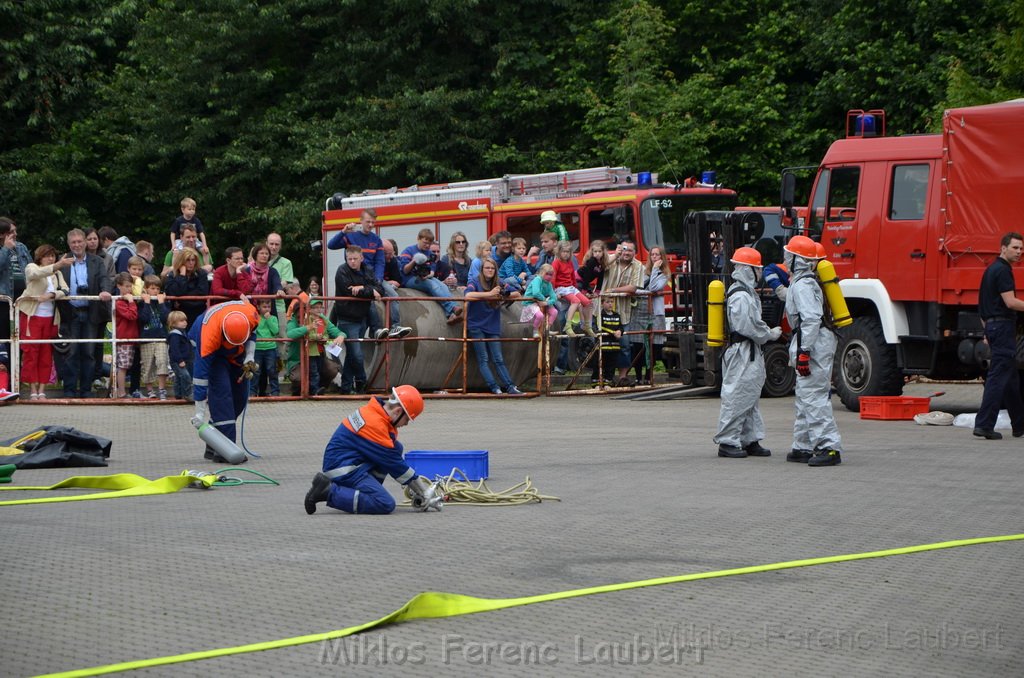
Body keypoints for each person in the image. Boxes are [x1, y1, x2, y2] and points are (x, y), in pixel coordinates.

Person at [303, 385, 442, 515]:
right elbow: (394, 464)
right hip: (343, 470)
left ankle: (365, 489)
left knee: (396, 448)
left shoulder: (375, 412)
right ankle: (327, 492)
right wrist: (423, 492)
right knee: (385, 503)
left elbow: (391, 457)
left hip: (345, 462)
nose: (405, 424)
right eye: (407, 419)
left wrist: (417, 488)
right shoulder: (375, 425)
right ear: (398, 411)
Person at [713, 247, 782, 458]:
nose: (760, 274)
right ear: (748, 270)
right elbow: (746, 325)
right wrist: (768, 334)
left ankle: (749, 439)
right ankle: (727, 441)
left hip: (749, 351)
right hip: (742, 351)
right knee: (737, 396)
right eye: (757, 270)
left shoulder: (746, 292)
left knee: (750, 397)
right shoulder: (740, 295)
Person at [784, 235, 842, 466]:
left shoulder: (803, 285)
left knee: (814, 396)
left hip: (813, 343)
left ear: (798, 260)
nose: (786, 259)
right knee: (805, 395)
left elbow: (810, 319)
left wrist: (804, 352)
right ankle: (803, 445)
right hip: (815, 341)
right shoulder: (804, 283)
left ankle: (828, 448)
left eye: (789, 255)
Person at [190, 299, 261, 463]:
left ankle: (213, 442)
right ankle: (225, 451)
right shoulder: (208, 338)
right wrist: (199, 411)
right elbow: (200, 377)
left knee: (239, 398)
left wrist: (249, 356)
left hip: (236, 352)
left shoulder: (251, 315)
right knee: (222, 397)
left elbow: (253, 334)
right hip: (213, 352)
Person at [974, 232, 1024, 440]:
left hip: (994, 327)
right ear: (1003, 248)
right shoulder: (1003, 271)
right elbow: (1010, 302)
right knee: (997, 378)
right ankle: (984, 425)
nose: (1019, 252)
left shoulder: (990, 270)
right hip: (1003, 328)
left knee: (1010, 378)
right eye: (1015, 248)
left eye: (1021, 249)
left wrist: (987, 331)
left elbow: (982, 307)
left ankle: (1019, 425)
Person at [59, 228, 113, 398]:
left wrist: (105, 291)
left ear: (84, 242)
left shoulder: (96, 261)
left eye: (79, 241)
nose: (77, 245)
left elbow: (105, 278)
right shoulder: (64, 261)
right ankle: (69, 390)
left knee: (89, 353)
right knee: (71, 352)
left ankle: (86, 390)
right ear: (69, 244)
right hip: (71, 312)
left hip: (91, 311)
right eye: (73, 242)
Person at [16, 244, 72, 399]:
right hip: (31, 316)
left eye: (53, 256)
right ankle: (32, 389)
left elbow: (65, 290)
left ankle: (42, 389)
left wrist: (51, 295)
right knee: (31, 353)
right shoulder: (31, 266)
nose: (50, 258)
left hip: (50, 319)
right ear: (40, 256)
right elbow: (35, 274)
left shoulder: (57, 274)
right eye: (47, 255)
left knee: (46, 353)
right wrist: (57, 265)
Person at [464, 257, 524, 395]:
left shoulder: (499, 282)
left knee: (498, 358)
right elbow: (468, 295)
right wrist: (489, 294)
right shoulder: (475, 281)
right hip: (476, 325)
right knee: (483, 358)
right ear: (482, 269)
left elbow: (518, 293)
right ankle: (494, 387)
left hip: (492, 324)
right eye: (487, 268)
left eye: (492, 268)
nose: (490, 270)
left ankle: (510, 386)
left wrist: (504, 294)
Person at [333, 246, 382, 394]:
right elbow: (350, 291)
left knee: (352, 355)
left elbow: (379, 289)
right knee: (357, 355)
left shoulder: (367, 269)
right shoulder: (342, 271)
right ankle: (362, 381)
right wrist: (369, 291)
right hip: (346, 318)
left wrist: (362, 288)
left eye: (355, 259)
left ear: (361, 258)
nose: (352, 262)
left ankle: (346, 387)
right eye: (349, 259)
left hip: (362, 317)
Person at [603, 239, 644, 385]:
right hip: (603, 310)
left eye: (630, 250)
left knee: (625, 344)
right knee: (604, 344)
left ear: (635, 253)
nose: (626, 253)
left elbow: (633, 288)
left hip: (623, 312)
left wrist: (613, 290)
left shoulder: (638, 266)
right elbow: (599, 264)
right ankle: (606, 377)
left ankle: (622, 377)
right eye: (624, 249)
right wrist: (614, 254)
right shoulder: (611, 260)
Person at [400, 229, 461, 324]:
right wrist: (414, 261)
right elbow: (405, 270)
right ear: (418, 239)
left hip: (424, 277)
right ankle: (452, 307)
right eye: (425, 243)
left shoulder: (430, 253)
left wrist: (429, 274)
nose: (427, 246)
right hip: (409, 278)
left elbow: (432, 269)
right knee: (432, 285)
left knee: (442, 285)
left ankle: (451, 315)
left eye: (429, 243)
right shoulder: (408, 250)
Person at [286, 298, 345, 396]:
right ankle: (299, 390)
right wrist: (308, 328)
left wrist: (341, 336)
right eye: (314, 308)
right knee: (302, 377)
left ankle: (318, 389)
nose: (303, 313)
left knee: (330, 369)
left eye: (319, 307)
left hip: (317, 354)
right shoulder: (293, 321)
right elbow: (291, 334)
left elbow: (335, 331)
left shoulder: (321, 319)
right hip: (298, 359)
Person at [631, 245, 671, 385]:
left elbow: (654, 287)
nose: (654, 257)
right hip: (640, 309)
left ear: (662, 257)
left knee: (654, 344)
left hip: (656, 311)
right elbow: (637, 288)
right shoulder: (643, 271)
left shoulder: (665, 274)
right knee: (638, 343)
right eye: (652, 254)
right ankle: (637, 376)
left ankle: (649, 376)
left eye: (657, 254)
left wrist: (655, 270)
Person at [0, 217, 32, 372]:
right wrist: (5, 249)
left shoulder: (21, 247)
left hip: (22, 301)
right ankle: (5, 381)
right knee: (4, 340)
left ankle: (15, 379)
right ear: (2, 234)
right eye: (11, 232)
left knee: (19, 341)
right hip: (3, 302)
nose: (15, 234)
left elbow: (31, 269)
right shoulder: (3, 249)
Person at [552, 241, 594, 337]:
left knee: (588, 302)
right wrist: (553, 291)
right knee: (576, 301)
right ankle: (568, 325)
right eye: (564, 251)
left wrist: (575, 289)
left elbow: (573, 278)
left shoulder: (570, 263)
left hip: (570, 287)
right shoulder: (556, 263)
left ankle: (587, 325)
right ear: (559, 252)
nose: (566, 254)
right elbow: (553, 278)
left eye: (568, 252)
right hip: (561, 288)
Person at [138, 275, 170, 399]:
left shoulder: (162, 302)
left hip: (161, 337)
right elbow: (143, 319)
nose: (155, 291)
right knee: (148, 364)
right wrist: (146, 303)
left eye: (157, 288)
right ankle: (150, 390)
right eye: (152, 288)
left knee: (162, 361)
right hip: (147, 338)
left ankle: (162, 389)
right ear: (146, 289)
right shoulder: (141, 303)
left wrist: (162, 303)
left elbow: (166, 318)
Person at [163, 247, 211, 329]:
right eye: (188, 260)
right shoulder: (172, 274)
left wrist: (181, 299)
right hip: (179, 314)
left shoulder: (201, 274)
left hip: (198, 312)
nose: (191, 263)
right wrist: (182, 275)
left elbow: (202, 293)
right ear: (181, 261)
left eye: (193, 260)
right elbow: (174, 292)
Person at [266, 232, 293, 361]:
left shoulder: (286, 263)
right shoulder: (258, 259)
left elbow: (283, 283)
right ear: (266, 244)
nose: (274, 247)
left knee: (281, 337)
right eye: (271, 244)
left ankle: (281, 370)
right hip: (261, 306)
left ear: (280, 246)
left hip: (278, 306)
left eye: (277, 244)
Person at [112, 272, 139, 399]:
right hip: (124, 338)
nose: (129, 289)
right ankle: (121, 392)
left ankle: (120, 390)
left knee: (126, 365)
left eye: (130, 286)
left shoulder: (127, 300)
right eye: (127, 286)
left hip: (131, 337)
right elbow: (131, 316)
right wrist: (132, 302)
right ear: (119, 286)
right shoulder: (119, 302)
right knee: (123, 367)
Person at [250, 298, 280, 397]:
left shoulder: (273, 318)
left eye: (269, 307)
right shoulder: (256, 318)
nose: (267, 309)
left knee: (272, 371)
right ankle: (252, 392)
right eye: (264, 307)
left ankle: (275, 391)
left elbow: (275, 331)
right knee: (256, 371)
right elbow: (254, 330)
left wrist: (268, 319)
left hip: (270, 348)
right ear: (258, 307)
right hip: (258, 348)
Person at [521, 263, 559, 337]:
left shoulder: (549, 284)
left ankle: (547, 329)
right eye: (547, 274)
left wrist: (547, 303)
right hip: (530, 302)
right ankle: (535, 330)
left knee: (555, 312)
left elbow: (554, 297)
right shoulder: (537, 279)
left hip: (541, 302)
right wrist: (544, 300)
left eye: (551, 274)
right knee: (540, 315)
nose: (549, 276)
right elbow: (536, 293)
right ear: (542, 272)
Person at [592, 296, 622, 386]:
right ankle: (596, 382)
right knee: (599, 364)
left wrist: (620, 331)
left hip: (614, 345)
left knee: (611, 365)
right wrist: (613, 332)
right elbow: (600, 327)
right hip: (603, 345)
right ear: (602, 303)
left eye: (612, 302)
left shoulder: (617, 315)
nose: (610, 304)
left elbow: (620, 326)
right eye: (607, 302)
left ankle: (608, 382)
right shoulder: (599, 316)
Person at [166, 310, 193, 401]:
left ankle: (178, 394)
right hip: (178, 361)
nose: (185, 322)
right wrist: (180, 360)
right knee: (185, 376)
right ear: (173, 323)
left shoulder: (182, 333)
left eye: (185, 320)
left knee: (179, 377)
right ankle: (188, 394)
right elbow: (175, 349)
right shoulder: (175, 335)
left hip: (184, 360)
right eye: (181, 321)